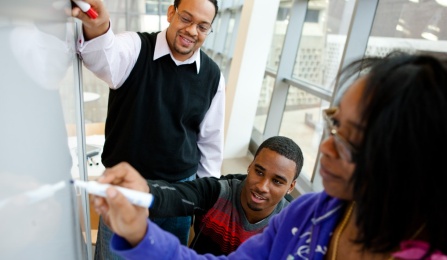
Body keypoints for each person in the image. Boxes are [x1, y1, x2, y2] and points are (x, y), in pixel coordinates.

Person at [92, 51, 447, 259]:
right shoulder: (312, 215)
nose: (325, 147)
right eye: (333, 124)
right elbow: (187, 196)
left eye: (350, 141)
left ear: (411, 166)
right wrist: (140, 229)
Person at [71, 0, 225, 255]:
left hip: (179, 192)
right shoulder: (135, 47)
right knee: (115, 255)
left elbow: (210, 143)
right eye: (186, 19)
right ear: (170, 13)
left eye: (202, 26)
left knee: (164, 255)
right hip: (126, 189)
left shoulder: (212, 75)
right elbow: (104, 57)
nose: (192, 31)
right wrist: (99, 26)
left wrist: (203, 202)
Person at [96, 136, 303, 255]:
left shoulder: (294, 224)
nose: (263, 186)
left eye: (277, 181)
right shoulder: (219, 191)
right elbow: (176, 196)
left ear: (291, 186)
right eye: (259, 171)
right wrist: (144, 189)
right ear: (249, 166)